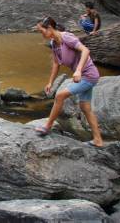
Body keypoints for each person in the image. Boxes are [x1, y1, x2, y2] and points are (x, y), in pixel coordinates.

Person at [34, 17, 103, 147]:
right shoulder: (54, 43)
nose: (41, 34)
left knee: (60, 96)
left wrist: (78, 70)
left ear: (49, 28)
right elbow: (55, 64)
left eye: (41, 31)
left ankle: (47, 126)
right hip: (83, 76)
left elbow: (85, 50)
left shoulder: (67, 38)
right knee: (85, 108)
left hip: (88, 75)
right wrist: (50, 82)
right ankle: (98, 140)